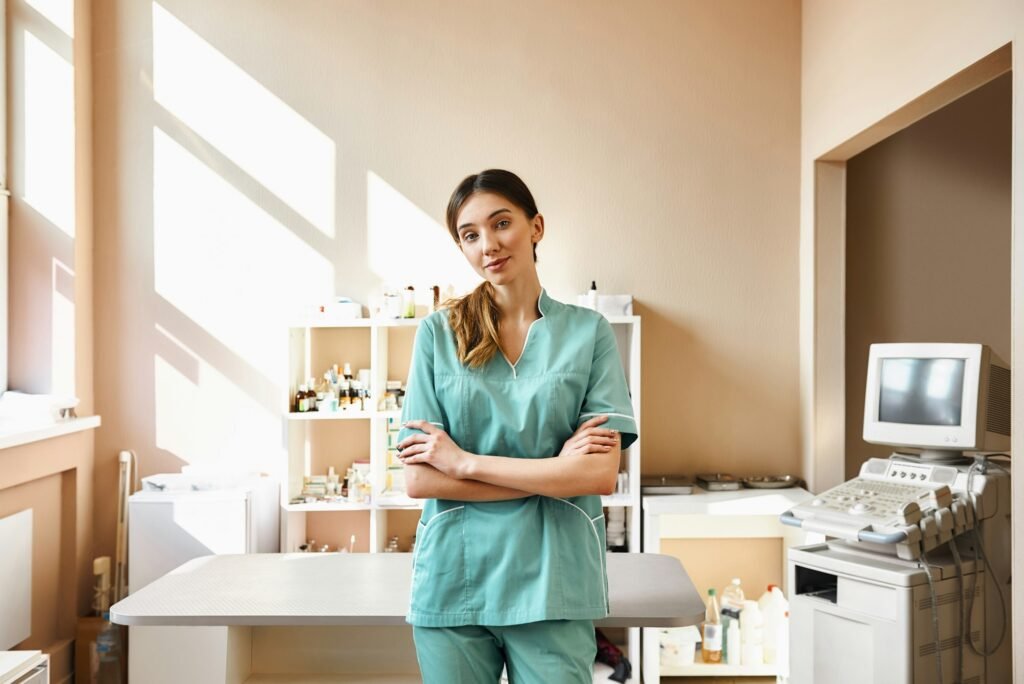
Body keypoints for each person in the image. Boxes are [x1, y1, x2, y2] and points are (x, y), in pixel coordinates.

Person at [396, 169, 638, 683]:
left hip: (554, 581)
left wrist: (465, 463)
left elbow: (597, 475)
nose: (489, 244)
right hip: (455, 579)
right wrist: (554, 472)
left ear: (536, 227)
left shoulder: (588, 333)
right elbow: (420, 479)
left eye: (501, 222)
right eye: (470, 234)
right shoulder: (439, 334)